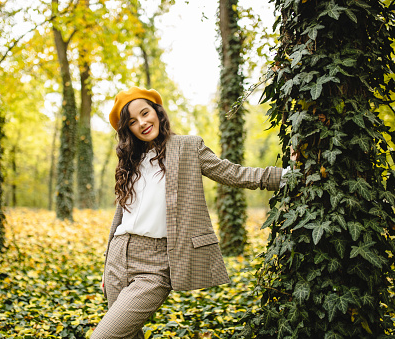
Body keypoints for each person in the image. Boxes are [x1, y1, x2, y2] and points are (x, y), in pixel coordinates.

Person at [91, 87, 289, 339]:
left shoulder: (187, 148)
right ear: (127, 129)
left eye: (145, 113)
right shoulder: (130, 161)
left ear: (157, 112)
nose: (142, 123)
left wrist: (281, 177)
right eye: (132, 121)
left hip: (155, 266)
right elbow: (121, 218)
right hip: (118, 258)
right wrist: (108, 264)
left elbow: (232, 173)